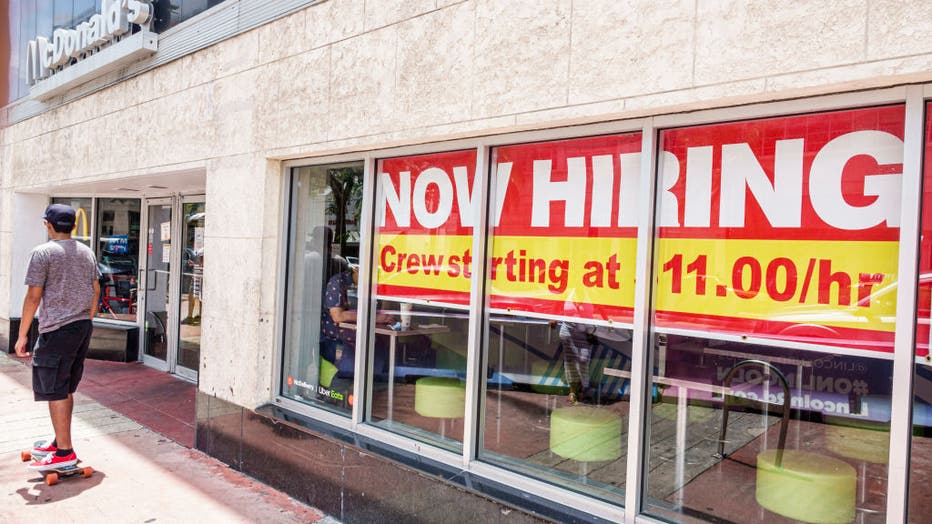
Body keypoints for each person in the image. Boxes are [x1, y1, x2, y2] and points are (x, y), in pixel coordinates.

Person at [13, 204, 100, 471]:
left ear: (48, 225)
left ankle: (65, 452)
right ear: (73, 226)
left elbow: (33, 297)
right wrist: (87, 317)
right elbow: (96, 289)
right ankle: (59, 442)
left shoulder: (43, 253)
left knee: (54, 389)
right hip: (82, 326)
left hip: (58, 330)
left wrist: (22, 335)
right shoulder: (86, 252)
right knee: (64, 388)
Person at [321, 263, 392, 378]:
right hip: (338, 335)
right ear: (356, 269)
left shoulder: (370, 285)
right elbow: (337, 316)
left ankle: (373, 378)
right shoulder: (338, 282)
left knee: (381, 343)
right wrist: (374, 318)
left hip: (359, 331)